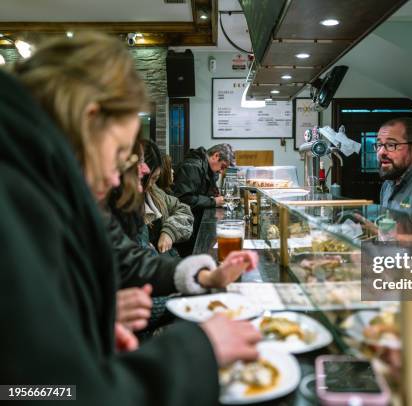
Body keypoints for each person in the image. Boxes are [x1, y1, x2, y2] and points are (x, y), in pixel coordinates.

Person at [1, 33, 261, 405]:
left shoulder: (53, 178)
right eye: (121, 152)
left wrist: (202, 275)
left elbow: (122, 254)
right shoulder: (14, 195)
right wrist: (199, 350)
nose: (121, 174)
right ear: (90, 120)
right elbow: (44, 393)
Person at [142, 140, 193, 255]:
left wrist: (170, 232)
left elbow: (184, 210)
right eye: (146, 179)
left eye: (155, 178)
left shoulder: (155, 192)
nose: (150, 184)